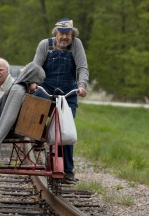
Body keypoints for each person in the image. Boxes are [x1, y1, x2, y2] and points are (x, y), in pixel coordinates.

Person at [32, 18, 89, 184]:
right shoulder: (45, 45)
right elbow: (36, 67)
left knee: (66, 130)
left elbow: (82, 67)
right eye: (62, 33)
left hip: (68, 91)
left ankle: (68, 171)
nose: (65, 37)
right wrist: (33, 82)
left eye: (68, 34)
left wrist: (82, 85)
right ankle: (37, 136)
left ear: (72, 34)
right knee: (35, 104)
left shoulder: (76, 45)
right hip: (46, 87)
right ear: (55, 33)